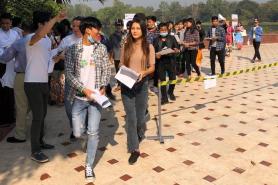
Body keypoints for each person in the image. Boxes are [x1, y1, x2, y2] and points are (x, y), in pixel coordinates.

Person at [65, 16, 111, 182]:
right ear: (87, 30)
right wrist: (83, 89)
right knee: (78, 133)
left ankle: (89, 165)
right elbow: (69, 74)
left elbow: (107, 70)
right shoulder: (72, 49)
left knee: (93, 132)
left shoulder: (101, 49)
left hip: (95, 100)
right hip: (78, 98)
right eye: (96, 29)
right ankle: (85, 139)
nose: (98, 32)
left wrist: (104, 86)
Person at [24, 10, 66, 163]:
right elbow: (38, 36)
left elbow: (47, 61)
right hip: (32, 83)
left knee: (42, 115)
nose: (51, 25)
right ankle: (35, 151)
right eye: (48, 22)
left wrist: (57, 56)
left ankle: (40, 142)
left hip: (43, 81)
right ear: (40, 24)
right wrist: (55, 18)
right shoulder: (30, 38)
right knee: (37, 117)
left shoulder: (47, 41)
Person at [120, 19, 155, 165]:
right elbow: (121, 64)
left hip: (141, 85)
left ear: (143, 30)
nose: (134, 31)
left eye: (138, 28)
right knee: (131, 118)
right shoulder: (125, 46)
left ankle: (139, 133)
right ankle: (134, 149)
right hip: (127, 85)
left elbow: (152, 67)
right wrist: (123, 75)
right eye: (132, 28)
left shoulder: (149, 47)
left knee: (140, 118)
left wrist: (143, 72)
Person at [0, 23, 32, 143]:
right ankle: (38, 133)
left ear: (23, 31)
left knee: (21, 105)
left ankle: (20, 134)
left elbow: (4, 58)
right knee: (35, 104)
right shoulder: (44, 42)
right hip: (38, 76)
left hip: (22, 75)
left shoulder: (19, 43)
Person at [53, 16, 83, 141]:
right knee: (69, 107)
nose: (75, 28)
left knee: (83, 105)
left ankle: (82, 128)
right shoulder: (67, 40)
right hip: (70, 77)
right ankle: (74, 127)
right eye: (74, 26)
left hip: (85, 79)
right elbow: (57, 54)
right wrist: (62, 56)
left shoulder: (89, 40)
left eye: (78, 26)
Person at [0, 13, 20, 125]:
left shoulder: (15, 34)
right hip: (2, 65)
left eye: (7, 23)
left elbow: (18, 46)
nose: (5, 25)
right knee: (2, 91)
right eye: (3, 23)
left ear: (11, 23)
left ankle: (11, 117)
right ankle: (2, 118)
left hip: (13, 65)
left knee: (11, 90)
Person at [153, 22, 179, 105]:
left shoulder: (172, 38)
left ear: (167, 30)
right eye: (161, 30)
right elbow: (153, 52)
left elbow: (177, 48)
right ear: (159, 30)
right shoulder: (156, 39)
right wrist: (156, 55)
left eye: (165, 29)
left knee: (173, 79)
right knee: (162, 80)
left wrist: (176, 50)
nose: (163, 31)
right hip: (160, 62)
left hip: (171, 60)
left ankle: (171, 92)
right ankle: (164, 97)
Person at [110, 19, 124, 92]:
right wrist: (111, 57)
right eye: (117, 25)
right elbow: (111, 47)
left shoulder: (125, 34)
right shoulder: (112, 36)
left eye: (120, 25)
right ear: (115, 26)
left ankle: (125, 85)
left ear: (122, 26)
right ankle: (119, 84)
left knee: (125, 70)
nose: (119, 27)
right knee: (118, 71)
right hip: (116, 56)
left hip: (124, 56)